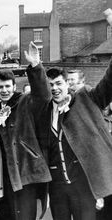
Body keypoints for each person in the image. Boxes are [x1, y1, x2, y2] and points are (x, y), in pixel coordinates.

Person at [26, 41, 112, 220]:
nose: (55, 88)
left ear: (67, 83)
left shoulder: (86, 98)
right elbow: (39, 92)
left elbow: (109, 82)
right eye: (51, 85)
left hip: (84, 186)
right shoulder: (46, 111)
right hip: (57, 188)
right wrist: (35, 65)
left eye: (58, 83)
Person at [0, 43, 51, 220]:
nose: (4, 91)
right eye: (0, 87)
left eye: (7, 87)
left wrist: (35, 66)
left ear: (14, 86)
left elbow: (43, 96)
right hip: (6, 176)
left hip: (25, 172)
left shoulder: (25, 102)